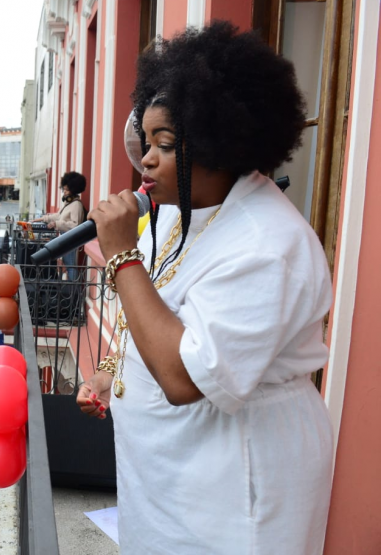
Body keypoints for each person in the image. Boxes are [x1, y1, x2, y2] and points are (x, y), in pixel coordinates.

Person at [73, 22, 337, 554]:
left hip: (232, 490)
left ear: (222, 142)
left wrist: (122, 253)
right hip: (171, 477)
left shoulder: (266, 243)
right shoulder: (182, 212)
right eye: (145, 143)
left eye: (165, 145)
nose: (144, 160)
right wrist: (111, 373)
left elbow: (185, 377)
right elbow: (158, 307)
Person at [35, 171, 86, 279]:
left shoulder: (76, 205)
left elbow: (75, 225)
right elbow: (58, 215)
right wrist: (42, 219)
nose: (65, 192)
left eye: (67, 190)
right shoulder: (68, 203)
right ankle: (71, 292)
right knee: (67, 265)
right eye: (64, 189)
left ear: (74, 189)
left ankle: (73, 292)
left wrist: (56, 224)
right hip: (65, 238)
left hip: (71, 239)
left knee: (70, 266)